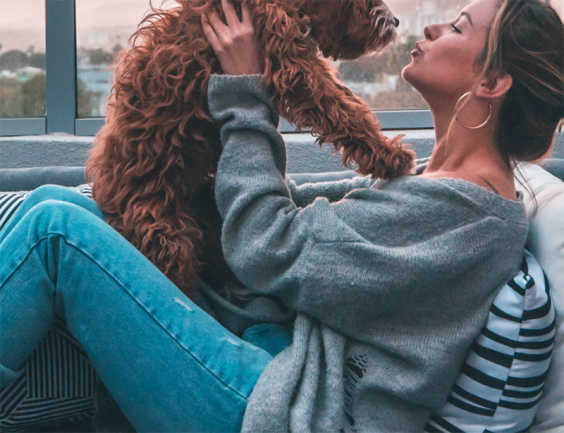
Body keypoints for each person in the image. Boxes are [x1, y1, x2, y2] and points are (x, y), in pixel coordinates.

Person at [0, 0, 562, 431]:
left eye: (458, 27)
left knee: (57, 230)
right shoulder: (444, 188)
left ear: (491, 84)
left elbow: (268, 248)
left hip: (282, 410)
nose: (433, 28)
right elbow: (337, 232)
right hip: (277, 358)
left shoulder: (465, 215)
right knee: (70, 202)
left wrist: (245, 89)